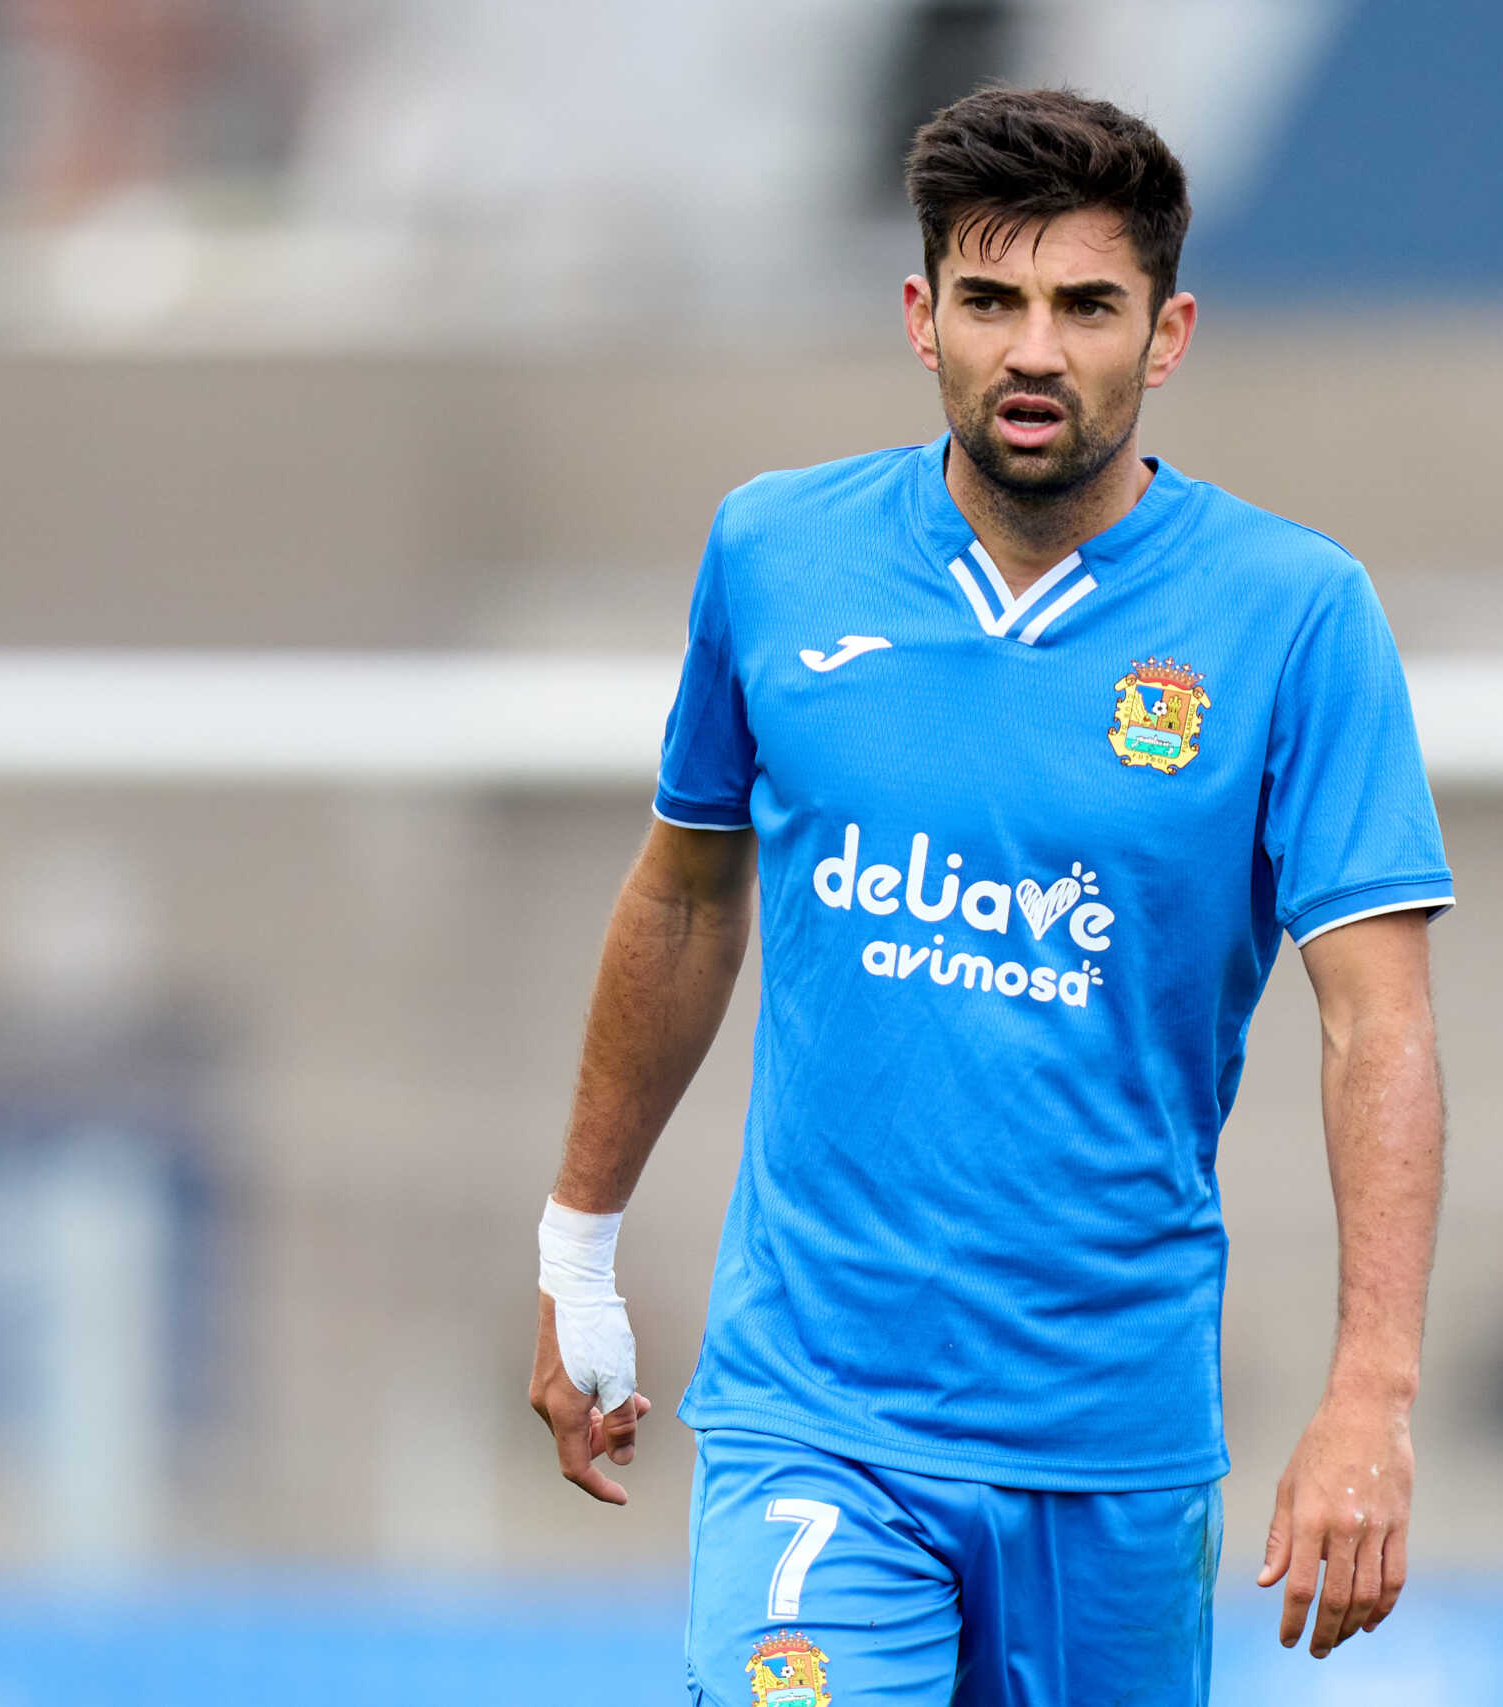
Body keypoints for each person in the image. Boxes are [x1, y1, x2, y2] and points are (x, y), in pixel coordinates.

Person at [527, 87, 1452, 1707]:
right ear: (921, 316)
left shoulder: (1293, 617)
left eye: (1087, 306)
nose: (1036, 350)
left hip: (1114, 1440)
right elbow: (684, 899)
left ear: (1165, 336)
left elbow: (1378, 1020)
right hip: (816, 1419)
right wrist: (578, 1251)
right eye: (992, 300)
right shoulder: (775, 554)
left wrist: (1370, 1391)